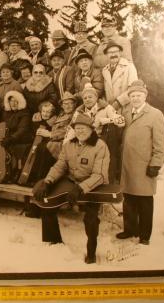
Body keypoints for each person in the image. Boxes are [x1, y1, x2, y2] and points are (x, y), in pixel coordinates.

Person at [33, 113, 110, 264]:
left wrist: (81, 188)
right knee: (47, 204)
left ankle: (91, 251)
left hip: (92, 184)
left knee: (91, 218)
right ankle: (54, 242)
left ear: (91, 130)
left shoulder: (100, 146)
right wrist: (48, 181)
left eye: (84, 128)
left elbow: (100, 175)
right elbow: (60, 166)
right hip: (72, 180)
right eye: (77, 128)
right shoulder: (68, 145)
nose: (80, 131)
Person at [116, 80, 164, 245]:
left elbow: (161, 143)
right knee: (129, 198)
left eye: (139, 95)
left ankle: (145, 235)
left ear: (145, 96)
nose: (135, 98)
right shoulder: (126, 112)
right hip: (127, 165)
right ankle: (130, 230)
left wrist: (155, 164)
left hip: (144, 165)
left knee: (144, 201)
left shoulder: (155, 114)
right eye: (132, 95)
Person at [66, 83, 125, 183]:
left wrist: (104, 120)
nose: (87, 100)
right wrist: (66, 145)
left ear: (96, 97)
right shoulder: (79, 111)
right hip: (84, 141)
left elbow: (121, 121)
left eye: (90, 97)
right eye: (85, 98)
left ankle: (104, 181)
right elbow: (71, 130)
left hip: (102, 140)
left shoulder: (106, 107)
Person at [1, 90, 33, 182]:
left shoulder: (24, 113)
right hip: (9, 137)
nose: (13, 103)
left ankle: (15, 172)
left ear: (20, 102)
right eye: (11, 101)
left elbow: (22, 129)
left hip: (21, 138)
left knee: (16, 149)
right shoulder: (6, 113)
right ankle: (3, 171)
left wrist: (11, 138)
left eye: (16, 101)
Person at [102, 40, 138, 111]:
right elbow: (105, 92)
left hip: (126, 107)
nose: (113, 55)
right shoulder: (105, 70)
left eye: (115, 52)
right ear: (106, 55)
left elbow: (133, 89)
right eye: (110, 52)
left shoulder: (129, 66)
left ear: (120, 53)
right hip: (111, 109)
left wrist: (118, 103)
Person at [46, 92, 77, 160]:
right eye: (65, 104)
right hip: (53, 140)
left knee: (43, 148)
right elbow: (48, 122)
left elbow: (69, 130)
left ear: (74, 105)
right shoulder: (61, 114)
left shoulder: (75, 115)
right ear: (62, 106)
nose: (67, 106)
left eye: (70, 103)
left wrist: (50, 134)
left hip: (63, 143)